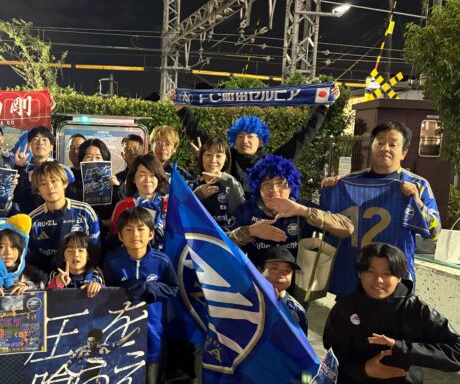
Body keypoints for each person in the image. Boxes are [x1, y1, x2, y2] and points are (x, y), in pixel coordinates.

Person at [315, 243, 460, 384]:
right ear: (360, 273)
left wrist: (402, 348)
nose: (378, 280)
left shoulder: (417, 310)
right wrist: (364, 370)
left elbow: (457, 352)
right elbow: (335, 354)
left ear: (400, 276)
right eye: (370, 271)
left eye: (387, 273)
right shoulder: (345, 307)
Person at [320, 121, 441, 297]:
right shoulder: (346, 182)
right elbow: (325, 224)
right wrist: (328, 191)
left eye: (393, 144)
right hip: (352, 279)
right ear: (372, 147)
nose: (385, 148)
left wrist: (417, 202)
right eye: (380, 142)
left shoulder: (418, 186)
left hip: (394, 282)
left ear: (404, 153)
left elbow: (434, 232)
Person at [104, 207, 179, 384]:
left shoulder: (161, 261)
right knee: (121, 383)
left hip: (153, 336)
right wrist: (120, 292)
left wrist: (151, 289)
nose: (135, 235)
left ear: (151, 234)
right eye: (128, 230)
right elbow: (103, 293)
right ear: (120, 236)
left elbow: (174, 288)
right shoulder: (113, 261)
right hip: (120, 339)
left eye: (141, 229)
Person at [259, 245, 343, 384]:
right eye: (274, 268)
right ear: (259, 270)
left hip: (289, 372)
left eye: (287, 271)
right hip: (255, 369)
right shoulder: (246, 304)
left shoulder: (296, 309)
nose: (281, 275)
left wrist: (312, 374)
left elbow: (301, 348)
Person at [176, 85, 340, 195]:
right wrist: (181, 110)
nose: (244, 140)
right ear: (233, 139)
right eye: (240, 136)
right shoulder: (226, 157)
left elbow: (302, 137)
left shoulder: (271, 161)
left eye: (250, 136)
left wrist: (324, 106)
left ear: (260, 141)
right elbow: (199, 134)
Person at [229, 154, 353, 266]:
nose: (274, 190)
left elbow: (347, 228)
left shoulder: (302, 207)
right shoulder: (248, 210)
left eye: (281, 183)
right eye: (266, 184)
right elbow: (221, 245)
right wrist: (250, 231)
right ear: (258, 189)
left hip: (297, 281)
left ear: (291, 187)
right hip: (257, 281)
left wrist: (303, 211)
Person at [27, 161, 100, 273]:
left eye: (54, 181)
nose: (50, 187)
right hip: (48, 277)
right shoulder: (32, 219)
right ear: (38, 191)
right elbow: (33, 258)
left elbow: (95, 250)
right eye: (43, 184)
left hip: (81, 275)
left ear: (65, 183)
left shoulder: (85, 211)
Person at [110, 154, 169, 250]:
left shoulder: (169, 205)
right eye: (142, 175)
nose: (148, 180)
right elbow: (114, 241)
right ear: (133, 178)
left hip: (165, 257)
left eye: (152, 175)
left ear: (159, 178)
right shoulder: (123, 206)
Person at [13, 126, 75, 214]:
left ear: (51, 147)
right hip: (30, 219)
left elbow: (72, 199)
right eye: (35, 139)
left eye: (44, 140)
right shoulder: (23, 170)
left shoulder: (63, 170)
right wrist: (19, 167)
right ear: (29, 146)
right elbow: (18, 198)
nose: (40, 143)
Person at [189, 136, 244, 233]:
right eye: (208, 155)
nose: (213, 160)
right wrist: (198, 195)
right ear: (201, 157)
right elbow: (182, 213)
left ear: (226, 159)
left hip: (225, 239)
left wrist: (227, 180)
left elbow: (241, 211)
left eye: (218, 156)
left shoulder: (232, 184)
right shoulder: (191, 185)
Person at [48, 232, 104, 297]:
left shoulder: (95, 274)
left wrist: (96, 286)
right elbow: (47, 297)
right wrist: (57, 283)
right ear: (63, 256)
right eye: (70, 251)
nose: (75, 254)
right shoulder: (56, 274)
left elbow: (104, 295)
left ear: (89, 255)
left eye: (80, 250)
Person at [113, 133, 145, 203]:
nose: (132, 152)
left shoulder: (150, 176)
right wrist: (119, 187)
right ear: (122, 154)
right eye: (127, 149)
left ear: (142, 152)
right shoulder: (117, 179)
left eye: (135, 148)